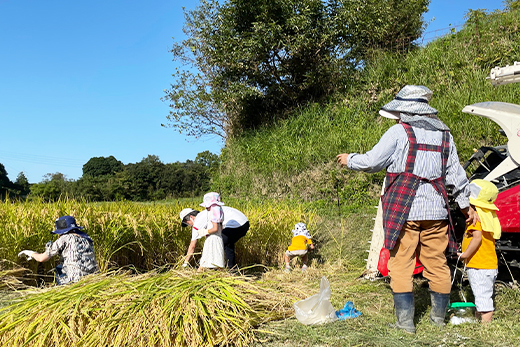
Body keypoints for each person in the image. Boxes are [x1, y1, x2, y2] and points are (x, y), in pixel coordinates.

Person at [336, 85, 478, 334]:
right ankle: (437, 320)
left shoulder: (399, 132)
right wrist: (467, 209)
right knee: (437, 262)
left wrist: (350, 160)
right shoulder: (445, 134)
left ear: (406, 112)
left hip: (405, 210)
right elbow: (456, 176)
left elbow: (372, 162)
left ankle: (405, 323)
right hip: (436, 211)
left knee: (401, 262)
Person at [458, 179, 501, 324]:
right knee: (482, 294)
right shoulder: (489, 216)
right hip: (489, 264)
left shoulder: (475, 218)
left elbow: (477, 238)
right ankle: (479, 320)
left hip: (479, 265)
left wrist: (465, 254)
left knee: (483, 297)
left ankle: (486, 327)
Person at [18, 215, 99, 285]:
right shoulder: (87, 238)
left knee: (58, 269)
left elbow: (41, 258)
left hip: (75, 279)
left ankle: (64, 288)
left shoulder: (64, 238)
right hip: (93, 277)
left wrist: (31, 253)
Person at [180, 204, 249, 269]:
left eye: (187, 223)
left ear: (191, 217)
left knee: (220, 242)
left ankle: (229, 270)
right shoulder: (205, 214)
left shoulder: (197, 221)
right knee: (227, 243)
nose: (189, 226)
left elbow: (192, 246)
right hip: (244, 223)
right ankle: (229, 268)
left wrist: (185, 263)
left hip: (237, 224)